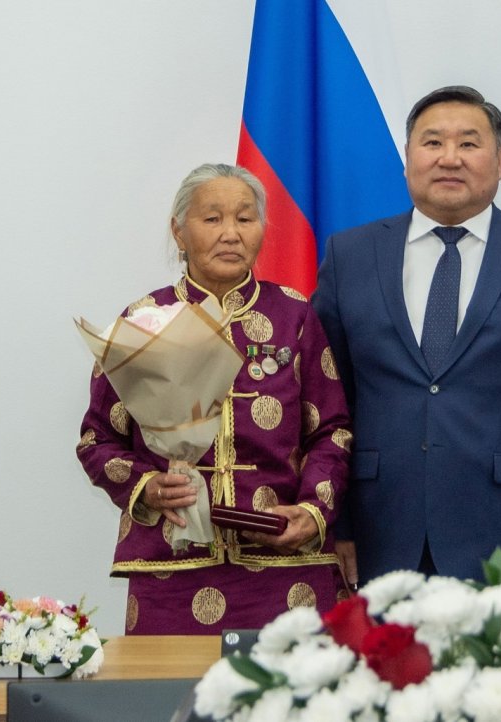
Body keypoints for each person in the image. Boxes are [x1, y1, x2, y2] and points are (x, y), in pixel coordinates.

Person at [312, 86, 501, 591]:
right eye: (433, 142)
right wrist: (335, 523)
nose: (450, 158)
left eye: (469, 144)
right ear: (407, 159)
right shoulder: (350, 256)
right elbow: (326, 403)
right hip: (378, 534)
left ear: (500, 161)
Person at [77, 163, 352, 633]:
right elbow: (96, 440)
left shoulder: (295, 315)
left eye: (245, 218)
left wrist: (313, 511)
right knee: (169, 683)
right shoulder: (144, 319)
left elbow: (332, 431)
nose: (231, 234)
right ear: (178, 231)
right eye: (212, 219)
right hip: (171, 566)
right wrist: (147, 486)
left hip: (284, 565)